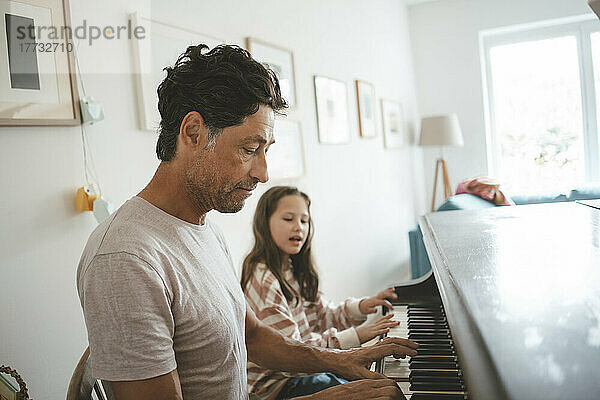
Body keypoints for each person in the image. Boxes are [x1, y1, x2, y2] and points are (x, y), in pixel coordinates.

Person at [76, 44, 417, 400]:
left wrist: (340, 359)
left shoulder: (205, 228)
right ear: (193, 132)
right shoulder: (124, 260)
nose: (264, 172)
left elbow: (251, 335)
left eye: (266, 150)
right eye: (249, 149)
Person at [241, 186, 403, 399]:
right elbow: (293, 355)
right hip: (277, 386)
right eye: (288, 219)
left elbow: (321, 314)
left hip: (303, 370)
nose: (298, 227)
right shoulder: (264, 280)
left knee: (370, 381)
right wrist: (359, 335)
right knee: (364, 388)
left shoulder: (290, 267)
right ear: (264, 223)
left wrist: (361, 306)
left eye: (304, 220)